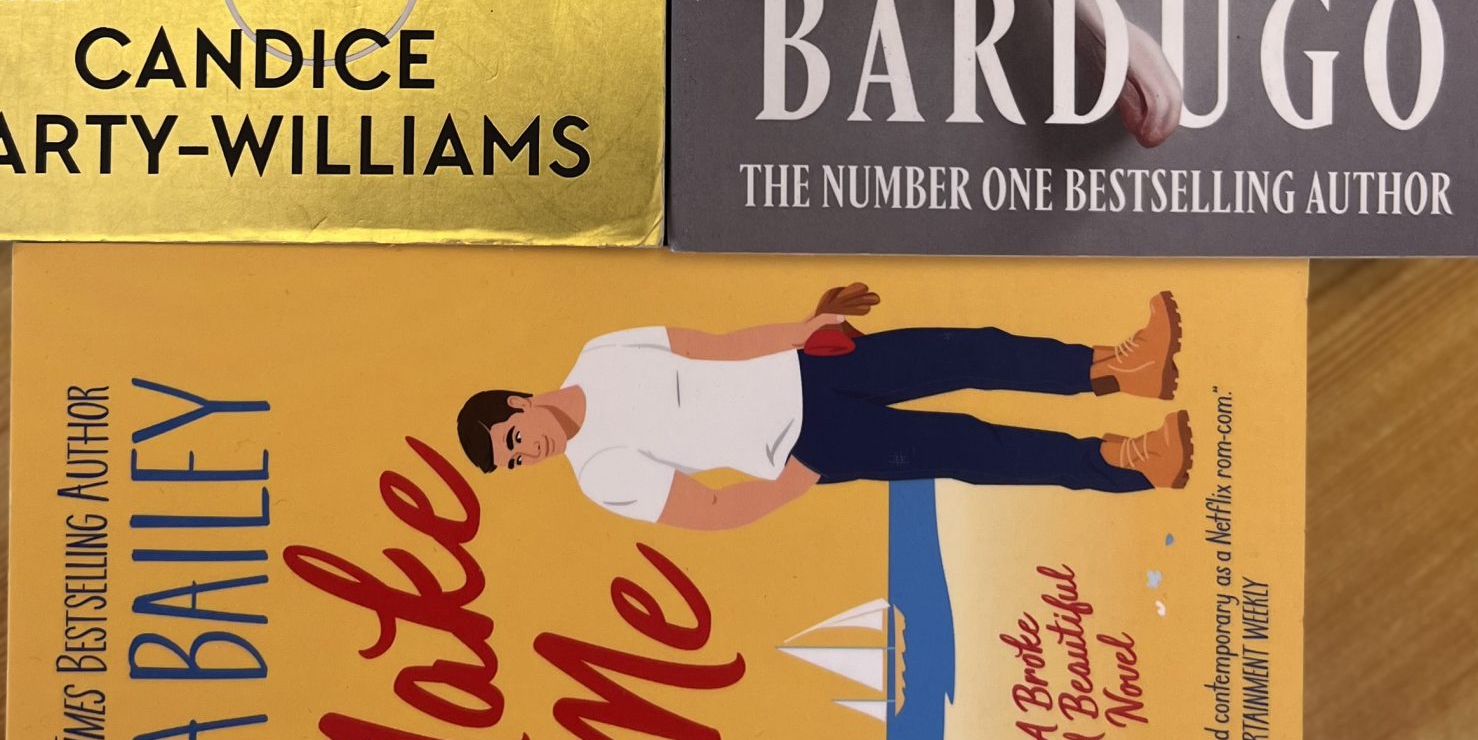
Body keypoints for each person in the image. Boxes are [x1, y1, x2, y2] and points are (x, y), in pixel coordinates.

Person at [455, 285, 1190, 529]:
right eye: (515, 463)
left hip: (812, 364)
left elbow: (714, 346)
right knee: (972, 444)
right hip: (810, 441)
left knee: (969, 350)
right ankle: (1134, 462)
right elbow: (710, 510)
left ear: (518, 402)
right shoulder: (599, 474)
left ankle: (1124, 368)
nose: (527, 454)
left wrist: (802, 328)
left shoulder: (601, 353)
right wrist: (798, 476)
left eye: (513, 439)